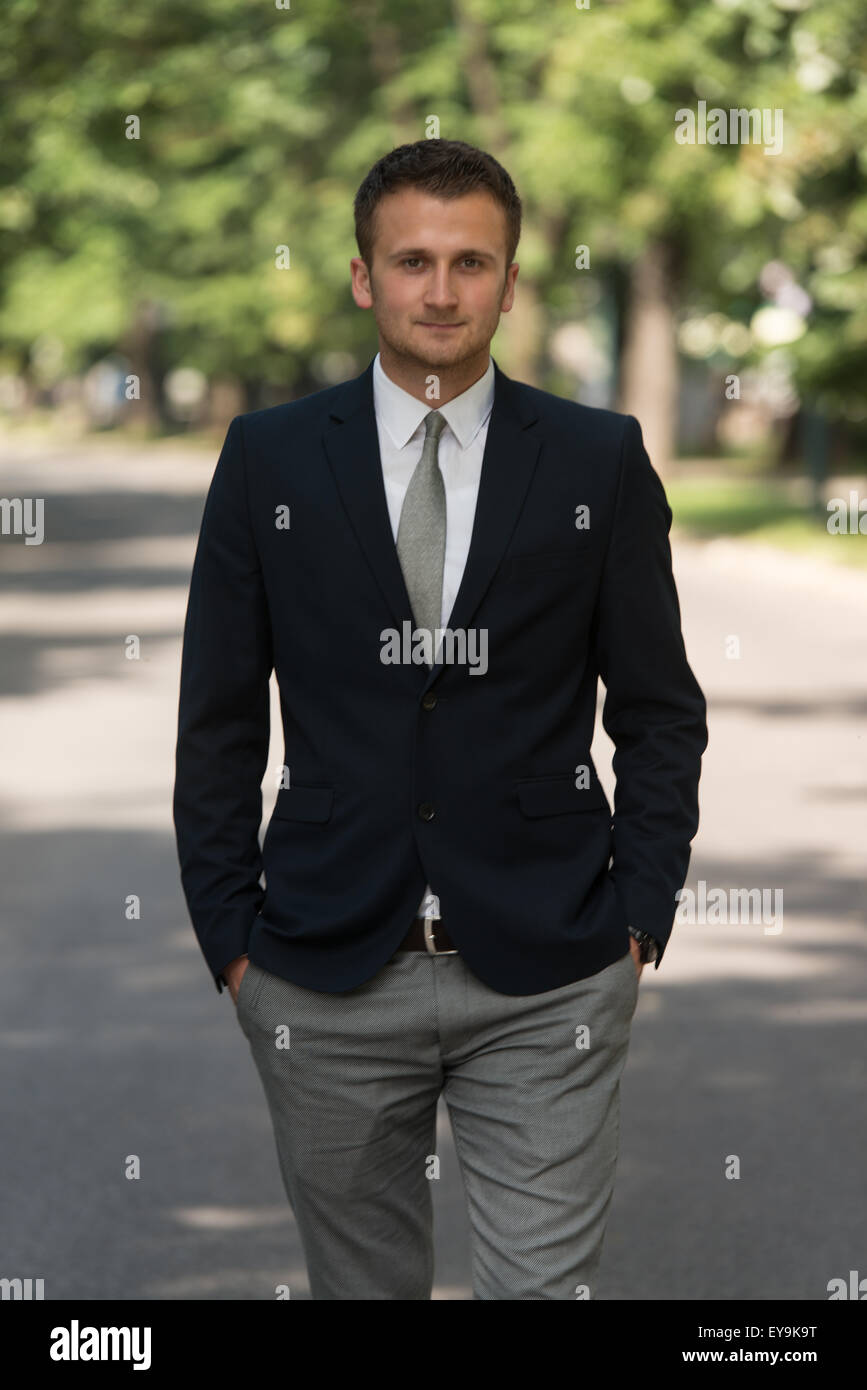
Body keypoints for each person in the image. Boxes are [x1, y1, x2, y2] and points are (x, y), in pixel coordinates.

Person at [172, 138, 708, 1300]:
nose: (442, 290)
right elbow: (217, 720)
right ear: (364, 276)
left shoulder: (595, 457)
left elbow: (661, 709)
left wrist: (639, 913)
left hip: (553, 964)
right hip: (320, 969)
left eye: (474, 262)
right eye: (412, 260)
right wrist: (234, 943)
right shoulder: (267, 458)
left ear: (512, 282)